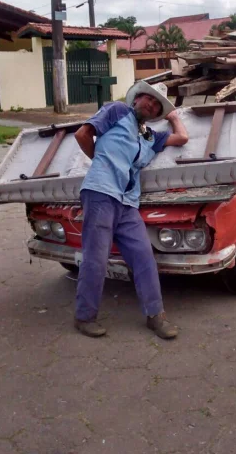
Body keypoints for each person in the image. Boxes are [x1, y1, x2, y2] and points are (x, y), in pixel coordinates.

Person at [73, 81, 188, 339]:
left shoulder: (148, 135)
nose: (151, 105)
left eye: (157, 105)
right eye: (149, 99)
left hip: (127, 202)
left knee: (144, 257)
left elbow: (182, 138)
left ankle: (155, 316)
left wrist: (173, 116)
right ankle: (84, 317)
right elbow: (82, 134)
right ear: (137, 99)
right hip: (101, 192)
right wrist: (103, 162)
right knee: (96, 259)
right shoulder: (117, 111)